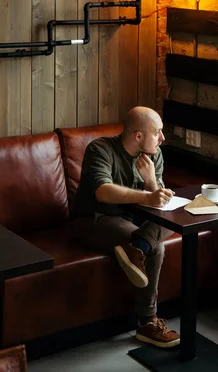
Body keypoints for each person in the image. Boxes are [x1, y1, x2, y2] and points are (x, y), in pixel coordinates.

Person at [73, 106, 180, 348]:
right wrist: (146, 197)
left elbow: (159, 199)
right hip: (94, 220)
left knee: (174, 217)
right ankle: (147, 322)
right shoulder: (101, 149)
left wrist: (152, 181)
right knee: (158, 248)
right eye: (158, 132)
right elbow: (102, 191)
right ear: (138, 136)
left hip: (133, 221)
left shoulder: (155, 155)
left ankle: (138, 247)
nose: (163, 138)